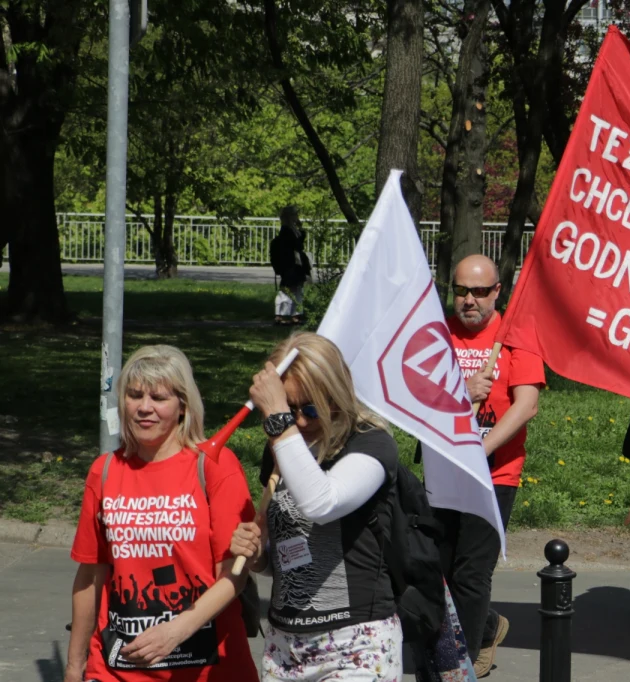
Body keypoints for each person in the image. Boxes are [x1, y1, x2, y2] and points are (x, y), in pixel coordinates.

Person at [66, 345, 257, 682]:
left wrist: (175, 631)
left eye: (159, 398)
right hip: (117, 668)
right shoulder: (105, 470)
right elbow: (90, 576)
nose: (144, 408)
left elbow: (234, 573)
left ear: (183, 406)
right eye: (135, 395)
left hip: (208, 668)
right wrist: (74, 667)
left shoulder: (214, 467)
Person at [229, 333, 404, 682]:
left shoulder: (370, 444)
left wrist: (279, 420)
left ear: (336, 397)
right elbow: (282, 551)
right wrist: (257, 555)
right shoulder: (283, 447)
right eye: (290, 409)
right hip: (286, 647)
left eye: (310, 408)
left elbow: (322, 503)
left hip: (354, 644)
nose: (302, 422)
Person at [444, 254, 544, 677]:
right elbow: (416, 394)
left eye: (480, 291)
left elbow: (527, 405)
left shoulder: (516, 335)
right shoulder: (437, 334)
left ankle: (458, 663)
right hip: (444, 469)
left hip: (496, 472)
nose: (469, 300)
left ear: (497, 292)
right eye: (461, 290)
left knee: (471, 572)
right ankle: (488, 625)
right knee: (438, 568)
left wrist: (481, 452)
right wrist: (459, 390)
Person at [270, 206, 311, 326]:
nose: (296, 217)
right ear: (289, 216)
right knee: (287, 289)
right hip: (290, 264)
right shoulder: (286, 230)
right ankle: (281, 314)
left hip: (295, 264)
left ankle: (295, 314)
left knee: (297, 289)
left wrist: (300, 229)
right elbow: (297, 245)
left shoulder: (292, 229)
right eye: (294, 215)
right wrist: (301, 230)